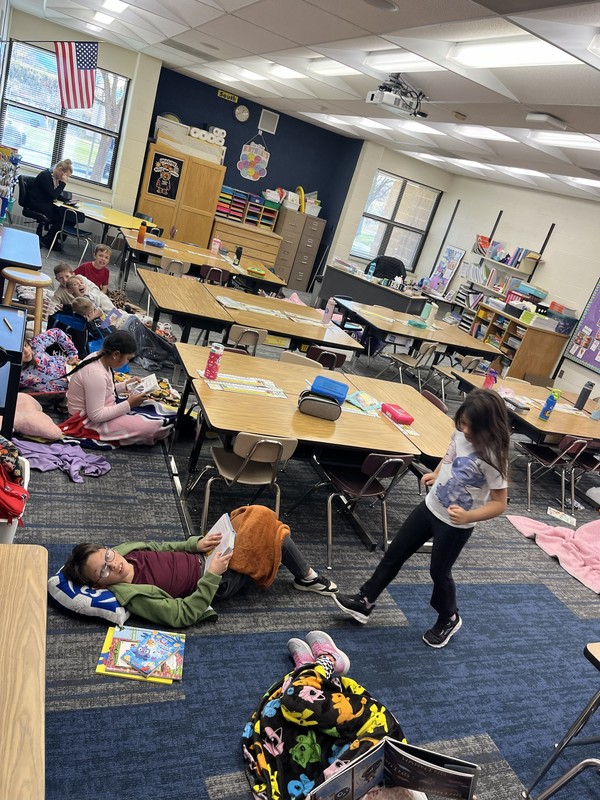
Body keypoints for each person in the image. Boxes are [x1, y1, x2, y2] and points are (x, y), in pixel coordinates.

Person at [334, 389, 510, 649]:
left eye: (471, 427)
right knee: (394, 553)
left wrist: (469, 516)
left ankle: (449, 617)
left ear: (488, 427)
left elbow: (499, 503)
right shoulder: (460, 434)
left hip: (455, 525)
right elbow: (450, 455)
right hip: (430, 507)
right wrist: (436, 473)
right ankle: (366, 600)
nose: (465, 431)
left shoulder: (493, 457)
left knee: (439, 572)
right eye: (462, 423)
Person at [61, 525, 338, 628]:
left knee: (253, 517)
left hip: (205, 556)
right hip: (216, 580)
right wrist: (212, 576)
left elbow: (162, 548)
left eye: (108, 556)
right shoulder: (133, 596)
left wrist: (195, 544)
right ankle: (307, 576)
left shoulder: (125, 551)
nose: (114, 564)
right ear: (98, 584)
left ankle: (304, 574)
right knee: (271, 533)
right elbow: (181, 615)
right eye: (104, 570)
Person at [242, 631, 402, 800]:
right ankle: (324, 664)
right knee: (295, 701)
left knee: (276, 723)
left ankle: (311, 670)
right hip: (376, 737)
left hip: (336, 769)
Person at [65, 330, 173, 445]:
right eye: (128, 358)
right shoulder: (96, 374)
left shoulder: (98, 357)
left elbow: (104, 390)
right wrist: (129, 404)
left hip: (97, 409)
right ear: (116, 354)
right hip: (84, 421)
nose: (127, 362)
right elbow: (96, 416)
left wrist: (125, 385)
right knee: (151, 427)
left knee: (151, 406)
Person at [28, 159, 79, 250]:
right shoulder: (45, 176)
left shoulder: (55, 178)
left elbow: (56, 194)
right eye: (65, 176)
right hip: (37, 203)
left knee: (71, 216)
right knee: (60, 217)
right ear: (59, 169)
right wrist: (63, 183)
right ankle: (48, 240)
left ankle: (54, 239)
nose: (65, 178)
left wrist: (68, 201)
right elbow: (53, 195)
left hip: (46, 203)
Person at [19, 328, 79, 393]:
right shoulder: (16, 374)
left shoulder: (36, 346)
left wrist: (73, 354)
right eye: (20, 351)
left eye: (26, 345)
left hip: (75, 371)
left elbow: (57, 332)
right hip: (65, 395)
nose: (27, 351)